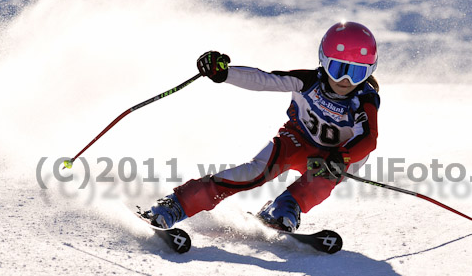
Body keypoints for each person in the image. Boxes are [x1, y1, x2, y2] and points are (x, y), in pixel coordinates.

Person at [144, 21, 381, 232]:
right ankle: (177, 204)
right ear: (324, 61)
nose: (345, 81)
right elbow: (264, 80)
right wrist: (224, 74)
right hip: (296, 140)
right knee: (255, 173)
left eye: (357, 73)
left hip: (335, 156)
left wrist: (343, 157)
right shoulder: (308, 81)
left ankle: (284, 208)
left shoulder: (364, 100)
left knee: (321, 180)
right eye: (338, 69)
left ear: (370, 71)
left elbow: (369, 138)